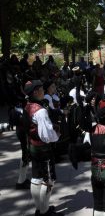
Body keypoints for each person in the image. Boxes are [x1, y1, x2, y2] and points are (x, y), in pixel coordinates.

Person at [24, 80, 63, 216]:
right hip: (43, 149)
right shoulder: (40, 111)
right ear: (35, 92)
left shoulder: (28, 106)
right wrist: (57, 135)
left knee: (36, 178)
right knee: (48, 179)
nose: (43, 91)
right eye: (41, 89)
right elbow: (47, 136)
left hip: (33, 147)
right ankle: (45, 211)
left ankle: (39, 208)